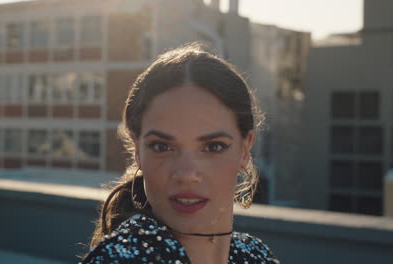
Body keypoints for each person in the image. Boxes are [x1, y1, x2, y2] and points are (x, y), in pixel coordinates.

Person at [80, 43, 279, 264]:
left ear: (245, 150)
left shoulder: (256, 256)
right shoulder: (117, 260)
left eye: (213, 146)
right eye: (162, 147)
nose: (186, 174)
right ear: (137, 151)